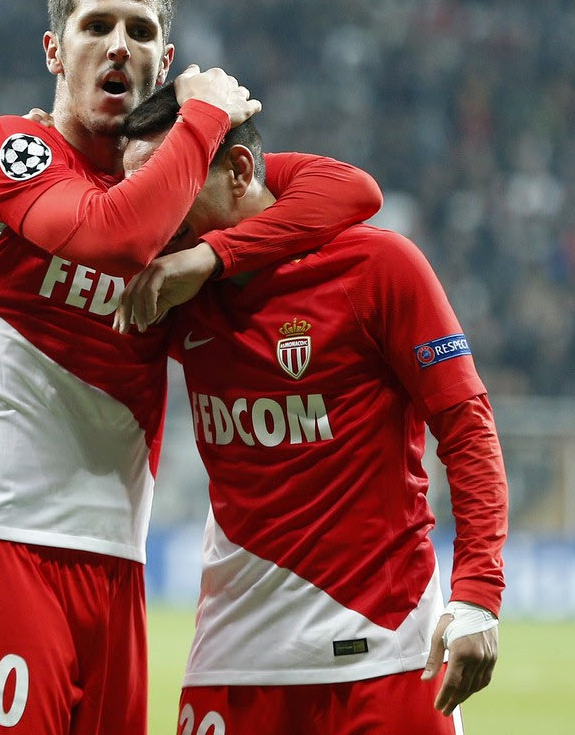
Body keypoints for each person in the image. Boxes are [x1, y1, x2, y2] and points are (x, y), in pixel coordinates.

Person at [0, 0, 382, 734]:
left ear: (166, 59)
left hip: (116, 560)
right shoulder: (6, 150)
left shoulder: (174, 197)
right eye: (96, 26)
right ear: (55, 51)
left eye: (141, 29)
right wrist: (205, 115)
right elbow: (113, 236)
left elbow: (349, 190)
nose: (119, 44)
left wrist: (210, 256)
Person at [118, 84, 508, 733]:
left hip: (384, 645)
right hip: (233, 653)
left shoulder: (378, 267)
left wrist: (477, 595)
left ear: (239, 171)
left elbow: (467, 429)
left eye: (170, 181)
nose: (148, 210)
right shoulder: (172, 292)